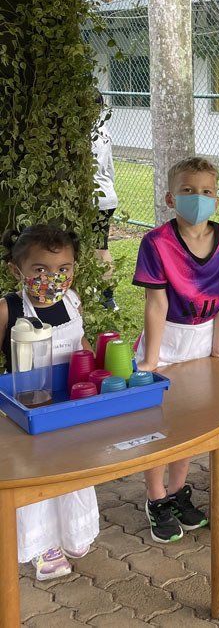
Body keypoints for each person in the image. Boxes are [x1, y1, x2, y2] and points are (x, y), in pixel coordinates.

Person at [133, 157, 219, 543]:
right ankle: (155, 498)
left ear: (216, 198)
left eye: (206, 192)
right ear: (170, 197)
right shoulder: (156, 242)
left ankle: (177, 492)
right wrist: (150, 358)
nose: (197, 198)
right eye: (187, 191)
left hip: (202, 340)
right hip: (165, 340)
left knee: (189, 422)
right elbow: (156, 303)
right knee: (157, 424)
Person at [1, 225, 100, 580]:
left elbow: (81, 342)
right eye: (40, 270)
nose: (53, 279)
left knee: (74, 467)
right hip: (28, 410)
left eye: (63, 270)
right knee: (37, 476)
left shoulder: (72, 301)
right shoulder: (8, 308)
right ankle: (42, 545)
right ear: (18, 271)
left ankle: (75, 529)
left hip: (72, 405)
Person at [92, 93, 119, 312]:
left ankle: (107, 297)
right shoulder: (103, 131)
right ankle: (104, 295)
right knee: (100, 247)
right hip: (107, 196)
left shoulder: (83, 134)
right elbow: (110, 168)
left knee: (99, 248)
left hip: (94, 200)